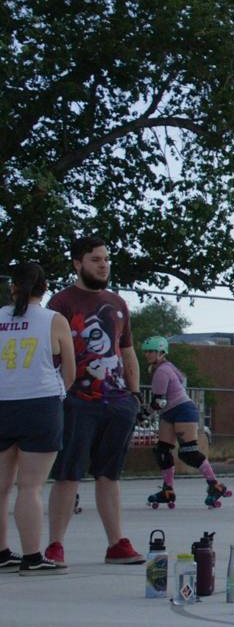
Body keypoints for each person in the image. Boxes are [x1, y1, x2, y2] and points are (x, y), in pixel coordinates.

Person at [46, 237, 147, 565]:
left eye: (105, 259)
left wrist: (134, 395)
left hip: (117, 402)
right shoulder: (61, 304)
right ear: (78, 263)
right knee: (67, 474)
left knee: (109, 475)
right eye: (95, 259)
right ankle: (55, 546)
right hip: (76, 402)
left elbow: (127, 350)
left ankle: (116, 543)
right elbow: (51, 355)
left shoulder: (118, 303)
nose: (103, 264)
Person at [0, 264, 76, 574]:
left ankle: (2, 551)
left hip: (2, 402)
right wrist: (59, 393)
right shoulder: (54, 320)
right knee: (29, 487)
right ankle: (32, 556)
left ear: (12, 288)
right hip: (40, 404)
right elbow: (69, 371)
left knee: (1, 488)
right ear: (44, 289)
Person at [141, 336, 231, 509]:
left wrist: (142, 415)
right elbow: (179, 384)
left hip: (183, 410)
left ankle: (215, 485)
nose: (147, 355)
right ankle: (168, 490)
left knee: (188, 453)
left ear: (161, 352)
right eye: (146, 351)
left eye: (151, 351)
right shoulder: (166, 367)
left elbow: (159, 401)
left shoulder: (162, 370)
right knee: (161, 450)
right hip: (170, 412)